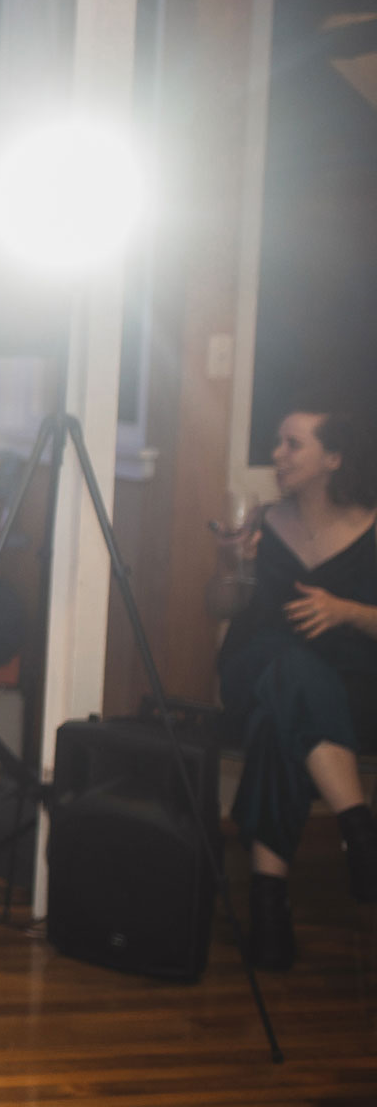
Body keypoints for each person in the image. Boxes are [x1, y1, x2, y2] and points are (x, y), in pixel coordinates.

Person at [212, 406, 377, 970]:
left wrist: (348, 611)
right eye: (278, 443)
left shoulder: (372, 528)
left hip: (348, 688)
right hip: (251, 668)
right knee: (287, 667)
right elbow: (223, 606)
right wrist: (232, 563)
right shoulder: (261, 520)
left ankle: (269, 914)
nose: (277, 455)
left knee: (280, 722)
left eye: (292, 445)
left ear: (333, 459)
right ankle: (359, 827)